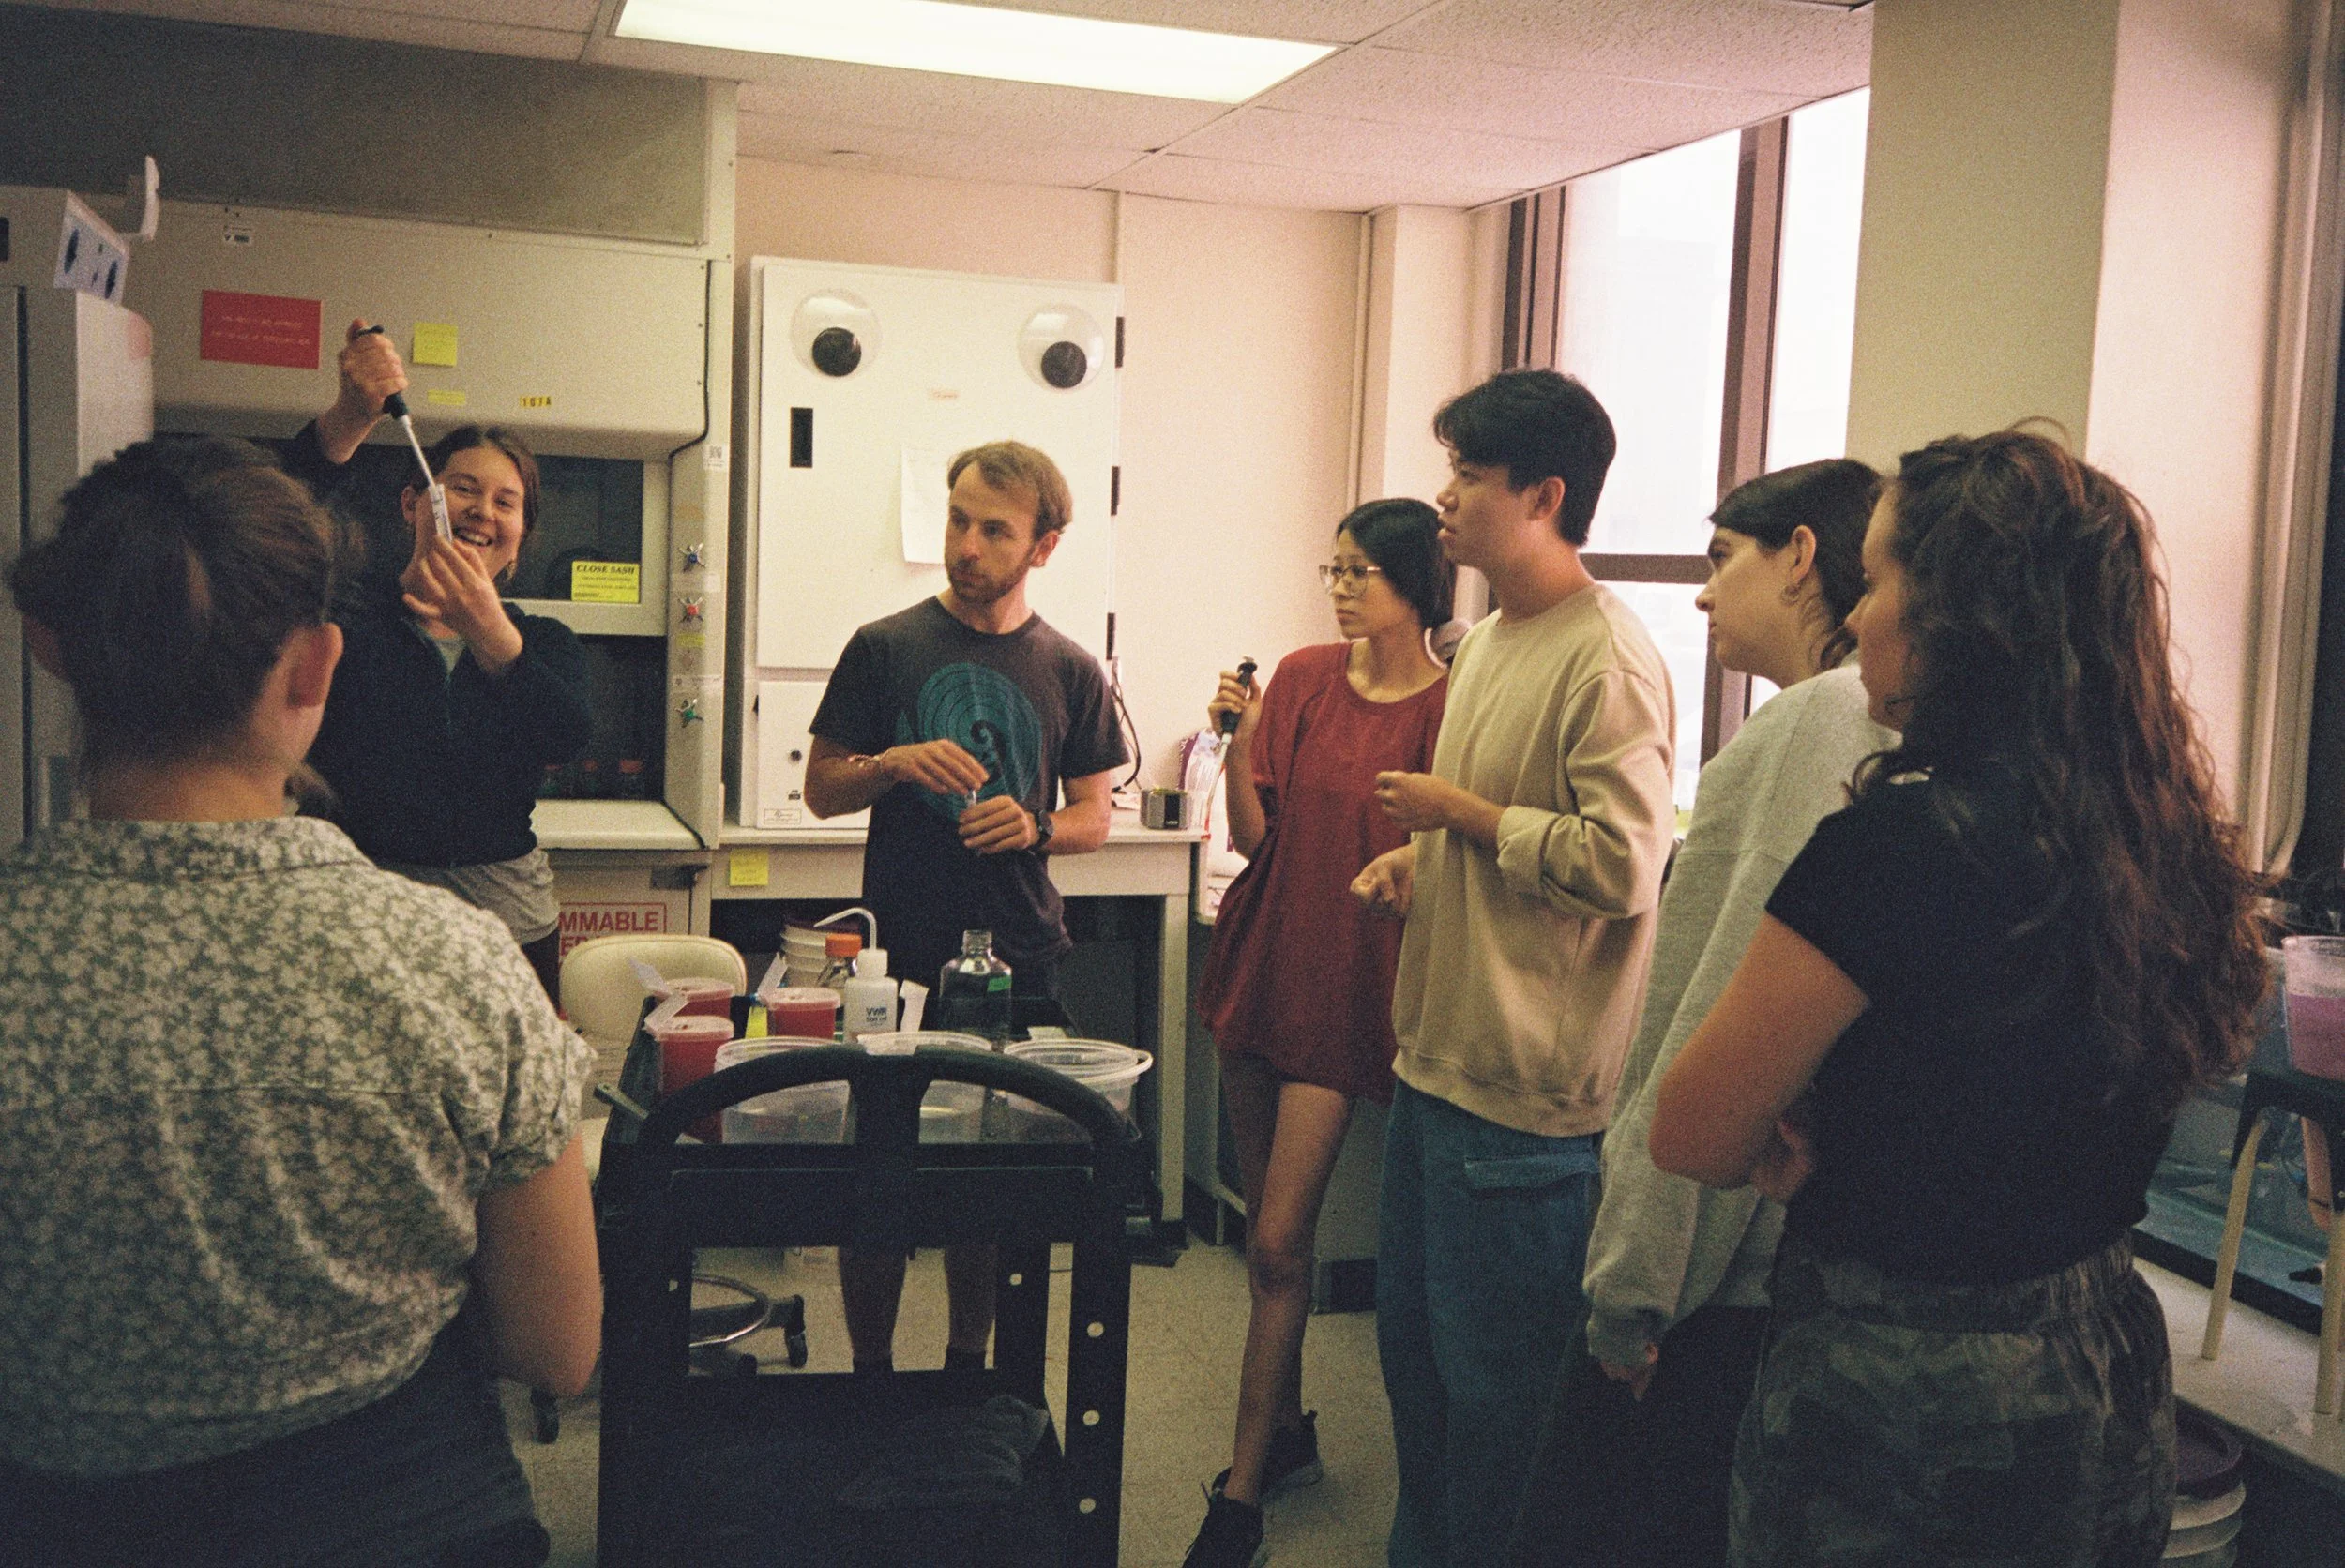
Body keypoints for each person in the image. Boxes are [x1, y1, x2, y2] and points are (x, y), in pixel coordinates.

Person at [1649, 430, 2267, 1568]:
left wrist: (1799, 1141)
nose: (1857, 617)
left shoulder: (1891, 846)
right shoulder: (2156, 837)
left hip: (1901, 1382)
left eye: (1879, 580)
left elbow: (1689, 1129)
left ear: (1962, 620)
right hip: (2103, 1355)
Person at [0, 437, 601, 1567]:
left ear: (51, 647)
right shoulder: (457, 968)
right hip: (401, 1515)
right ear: (315, 670)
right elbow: (558, 1348)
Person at [1505, 458, 1893, 1568]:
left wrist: (1631, 1294)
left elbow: (1710, 1028)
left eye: (1724, 559)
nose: (1702, 593)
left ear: (1805, 557)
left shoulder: (1817, 729)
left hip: (1722, 1287)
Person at [1350, 369, 1678, 1568]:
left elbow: (1623, 867)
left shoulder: (1609, 660)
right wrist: (1424, 863)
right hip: (1435, 1072)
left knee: (1503, 1429)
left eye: (1469, 478)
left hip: (1525, 1114)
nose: (1443, 500)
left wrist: (1463, 817)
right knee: (1420, 1393)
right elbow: (1505, 845)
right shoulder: (1487, 639)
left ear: (1542, 495)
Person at [802, 439, 1127, 1377]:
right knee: (880, 1185)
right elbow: (824, 789)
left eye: (994, 529)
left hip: (1018, 955)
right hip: (893, 964)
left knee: (988, 1191)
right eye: (958, 521)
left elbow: (1094, 817)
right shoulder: (884, 647)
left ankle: (964, 1370)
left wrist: (1031, 827)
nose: (968, 545)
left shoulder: (1069, 667)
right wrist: (893, 763)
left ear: (1043, 545)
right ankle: (869, 1377)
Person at [1182, 499, 1453, 1568]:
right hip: (1264, 952)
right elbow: (1255, 835)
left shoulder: (1450, 700)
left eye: (1360, 573)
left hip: (1352, 986)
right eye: (1331, 568)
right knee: (1264, 1240)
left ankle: (1241, 1492)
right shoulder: (1299, 674)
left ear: (1414, 586)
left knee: (1284, 1242)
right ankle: (1285, 1433)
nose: (1339, 587)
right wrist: (1240, 734)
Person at [281, 321, 594, 999]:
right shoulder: (348, 620)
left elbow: (565, 736)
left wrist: (489, 631)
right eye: (461, 488)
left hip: (508, 924)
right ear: (411, 505)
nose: (482, 510)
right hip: (360, 917)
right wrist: (348, 417)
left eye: (505, 502)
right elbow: (277, 510)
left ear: (521, 538)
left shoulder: (543, 642)